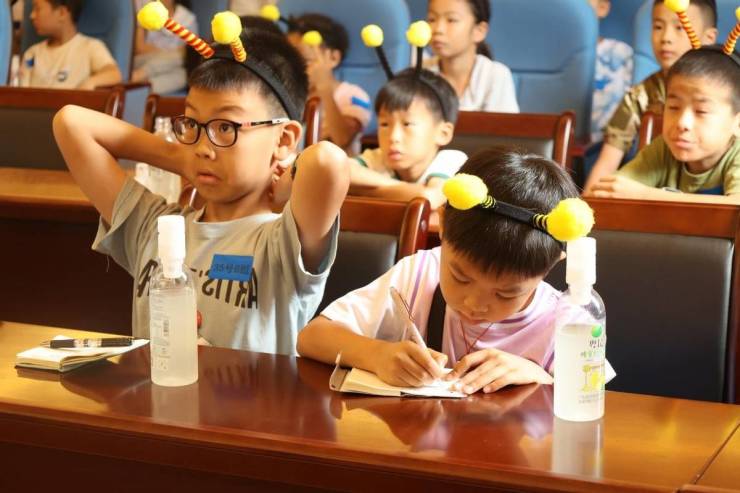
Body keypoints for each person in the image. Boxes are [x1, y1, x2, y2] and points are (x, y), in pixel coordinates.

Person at [52, 26, 350, 355]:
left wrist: (287, 182)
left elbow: (327, 161)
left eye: (225, 127)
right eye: (193, 124)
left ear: (284, 139)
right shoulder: (155, 226)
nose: (204, 147)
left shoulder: (280, 245)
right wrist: (183, 158)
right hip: (155, 390)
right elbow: (71, 123)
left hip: (256, 394)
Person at [298, 146, 594, 395]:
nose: (474, 304)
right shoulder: (419, 274)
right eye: (460, 277)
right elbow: (312, 337)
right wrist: (377, 355)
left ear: (552, 264)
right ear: (442, 227)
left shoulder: (568, 323)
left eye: (505, 294)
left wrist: (540, 377)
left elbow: (593, 405)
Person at [583, 0, 717, 192]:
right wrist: (585, 204)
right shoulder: (639, 96)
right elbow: (608, 162)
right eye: (658, 27)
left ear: (709, 37)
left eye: (679, 27)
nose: (666, 38)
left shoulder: (728, 92)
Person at [589, 46, 740, 204]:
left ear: (738, 124)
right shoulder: (663, 149)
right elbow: (611, 192)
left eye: (701, 111)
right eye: (673, 107)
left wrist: (646, 195)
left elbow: (736, 203)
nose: (682, 123)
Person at [348, 68, 467, 211]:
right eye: (384, 124)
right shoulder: (377, 158)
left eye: (407, 124)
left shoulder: (452, 160)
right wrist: (405, 189)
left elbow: (428, 198)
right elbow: (340, 171)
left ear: (443, 133)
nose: (393, 137)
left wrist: (362, 189)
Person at [286, 13, 372, 155]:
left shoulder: (354, 95)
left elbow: (343, 140)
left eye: (306, 61)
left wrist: (324, 88)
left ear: (333, 58)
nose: (296, 68)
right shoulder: (290, 93)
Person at [425, 0, 518, 112]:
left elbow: (503, 123)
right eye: (432, 19)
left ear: (479, 31)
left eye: (451, 20)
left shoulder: (495, 75)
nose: (438, 29)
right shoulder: (419, 73)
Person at [18, 0, 122, 89]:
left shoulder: (91, 47)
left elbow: (114, 74)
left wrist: (90, 83)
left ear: (62, 13)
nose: (32, 16)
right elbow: (22, 93)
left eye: (37, 9)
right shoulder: (32, 54)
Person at [589, 0, 634, 143]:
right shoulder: (551, 53)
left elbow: (630, 109)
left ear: (602, 7)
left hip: (608, 144)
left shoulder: (619, 53)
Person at [132, 0, 197, 94]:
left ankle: (139, 89)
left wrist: (168, 55)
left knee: (185, 76)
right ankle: (140, 75)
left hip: (173, 66)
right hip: (143, 61)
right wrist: (168, 54)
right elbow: (139, 48)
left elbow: (190, 53)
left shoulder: (188, 18)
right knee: (178, 57)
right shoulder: (146, 9)